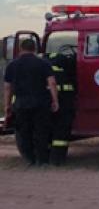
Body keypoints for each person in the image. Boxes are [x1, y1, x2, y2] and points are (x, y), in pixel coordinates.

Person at [2, 38, 59, 166]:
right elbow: (52, 83)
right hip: (41, 103)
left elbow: (7, 87)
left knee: (24, 132)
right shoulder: (44, 63)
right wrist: (55, 100)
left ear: (21, 49)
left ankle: (30, 159)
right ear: (34, 49)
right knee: (41, 132)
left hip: (21, 103)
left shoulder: (12, 65)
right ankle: (42, 160)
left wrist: (7, 105)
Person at [46, 49, 76, 166]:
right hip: (64, 101)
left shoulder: (44, 64)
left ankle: (46, 157)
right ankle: (58, 159)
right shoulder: (66, 64)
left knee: (47, 130)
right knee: (62, 130)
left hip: (46, 101)